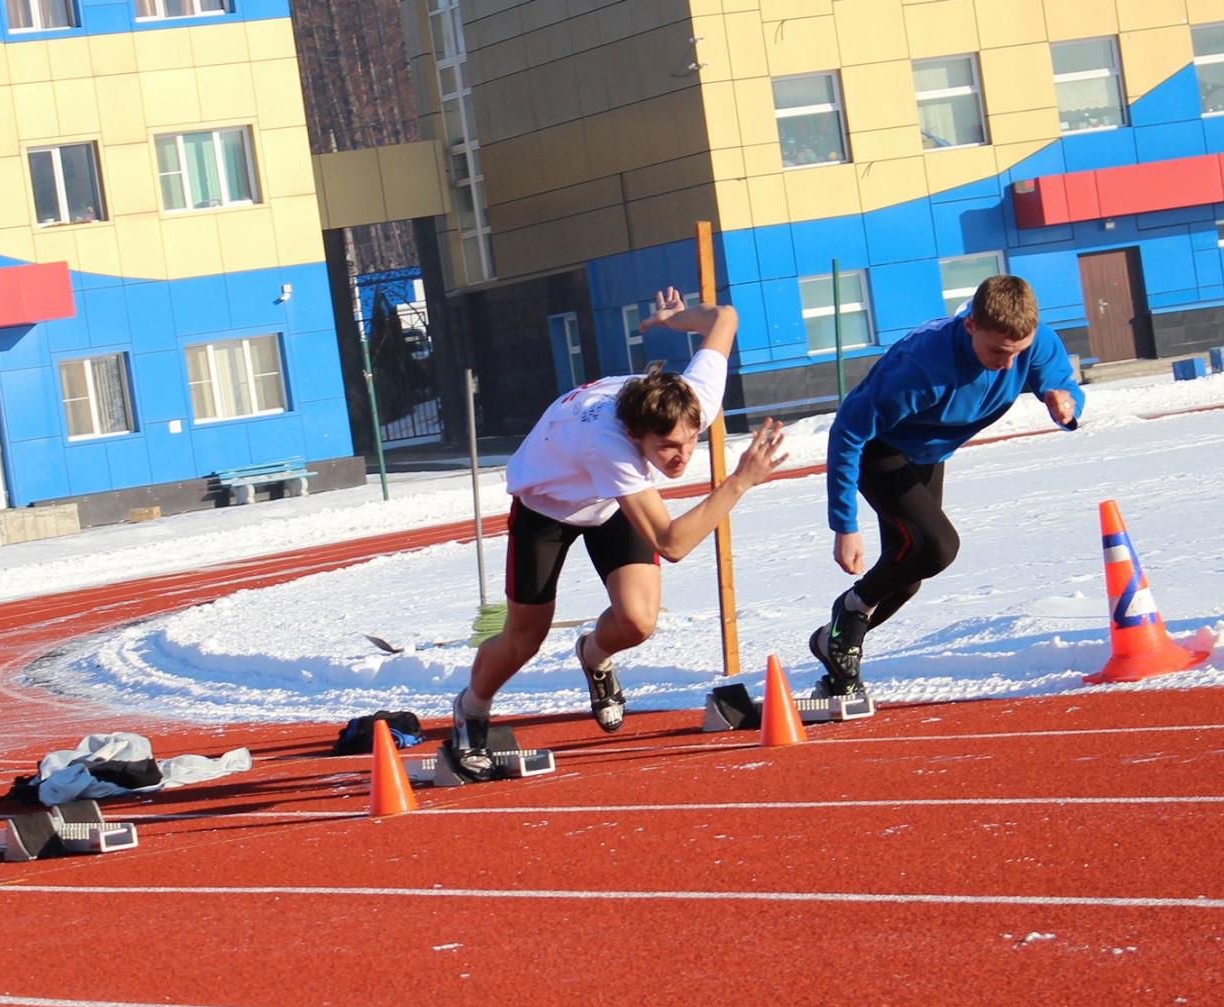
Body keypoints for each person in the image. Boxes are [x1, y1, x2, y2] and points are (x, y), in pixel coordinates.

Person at [449, 287, 785, 773]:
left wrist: (677, 319)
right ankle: (471, 709)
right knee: (525, 638)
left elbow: (724, 317)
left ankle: (594, 654)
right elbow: (671, 544)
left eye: (689, 443)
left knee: (638, 620)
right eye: (668, 447)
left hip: (607, 501)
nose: (681, 457)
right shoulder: (608, 445)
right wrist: (739, 482)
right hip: (548, 505)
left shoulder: (694, 400)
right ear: (635, 437)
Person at [815, 274, 1084, 697]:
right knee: (938, 546)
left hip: (928, 454)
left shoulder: (1031, 341)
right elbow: (847, 433)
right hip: (880, 451)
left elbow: (1059, 380)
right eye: (998, 351)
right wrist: (844, 525)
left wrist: (1063, 401)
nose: (1009, 364)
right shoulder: (921, 366)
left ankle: (836, 640)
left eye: (1019, 352)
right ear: (970, 327)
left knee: (906, 577)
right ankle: (848, 614)